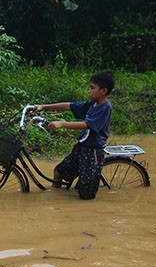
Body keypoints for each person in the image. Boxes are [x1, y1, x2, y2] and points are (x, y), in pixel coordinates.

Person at [33, 70, 115, 200]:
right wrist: (43, 106)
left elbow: (87, 125)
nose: (89, 91)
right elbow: (69, 106)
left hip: (92, 151)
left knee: (85, 195)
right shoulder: (92, 104)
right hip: (82, 147)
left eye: (92, 88)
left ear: (103, 91)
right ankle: (55, 199)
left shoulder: (105, 107)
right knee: (58, 172)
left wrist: (62, 124)